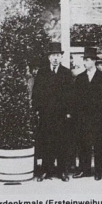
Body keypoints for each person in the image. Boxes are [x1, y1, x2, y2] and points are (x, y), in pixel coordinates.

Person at [32, 42, 73, 182]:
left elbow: (70, 95)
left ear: (61, 57)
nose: (55, 58)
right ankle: (46, 170)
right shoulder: (42, 72)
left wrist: (68, 112)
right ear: (49, 57)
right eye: (52, 55)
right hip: (46, 114)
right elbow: (36, 92)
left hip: (61, 116)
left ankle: (62, 171)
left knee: (61, 143)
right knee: (46, 142)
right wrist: (37, 109)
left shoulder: (66, 73)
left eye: (57, 55)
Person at [72, 47, 102, 181]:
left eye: (88, 60)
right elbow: (75, 99)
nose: (85, 62)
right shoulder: (80, 78)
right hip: (83, 118)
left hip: (98, 117)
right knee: (84, 144)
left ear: (94, 61)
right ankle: (85, 169)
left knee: (99, 144)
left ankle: (98, 171)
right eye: (84, 60)